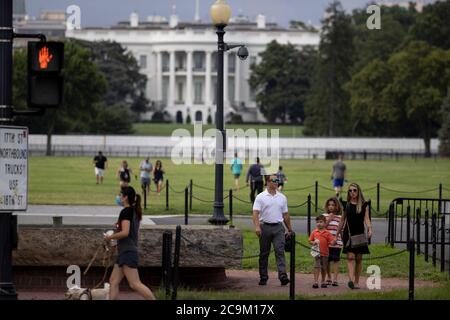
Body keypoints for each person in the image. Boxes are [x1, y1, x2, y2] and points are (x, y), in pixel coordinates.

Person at [105, 186, 156, 300]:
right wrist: (118, 227)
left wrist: (110, 237)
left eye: (120, 195)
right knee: (113, 281)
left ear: (125, 197)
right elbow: (133, 233)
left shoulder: (126, 211)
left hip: (127, 252)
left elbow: (125, 232)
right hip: (125, 251)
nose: (119, 197)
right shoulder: (134, 211)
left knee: (134, 284)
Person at [252, 174, 292, 286]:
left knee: (280, 251)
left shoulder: (282, 197)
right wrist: (257, 227)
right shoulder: (260, 197)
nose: (276, 182)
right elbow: (255, 213)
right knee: (264, 254)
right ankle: (263, 277)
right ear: (267, 182)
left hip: (279, 228)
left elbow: (286, 214)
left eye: (277, 180)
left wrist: (289, 229)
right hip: (264, 227)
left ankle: (283, 276)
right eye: (273, 180)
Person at [336, 183, 373, 290]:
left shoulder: (364, 205)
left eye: (354, 190)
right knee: (350, 257)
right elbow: (342, 220)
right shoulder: (346, 204)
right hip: (348, 233)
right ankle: (351, 280)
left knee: (359, 258)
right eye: (350, 190)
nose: (352, 192)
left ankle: (357, 281)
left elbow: (366, 219)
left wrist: (370, 228)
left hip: (360, 233)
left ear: (358, 191)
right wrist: (337, 234)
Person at [309, 215, 335, 288]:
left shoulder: (327, 233)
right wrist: (313, 242)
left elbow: (331, 242)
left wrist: (334, 241)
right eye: (317, 222)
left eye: (321, 222)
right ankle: (316, 282)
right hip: (317, 253)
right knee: (316, 266)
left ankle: (323, 281)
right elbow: (310, 240)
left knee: (324, 267)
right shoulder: (314, 232)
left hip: (325, 253)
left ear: (325, 222)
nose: (319, 224)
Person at [323, 197, 343, 286]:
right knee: (327, 260)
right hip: (326, 243)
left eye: (333, 205)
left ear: (337, 206)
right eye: (329, 205)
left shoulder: (340, 217)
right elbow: (321, 228)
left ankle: (335, 279)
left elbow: (341, 230)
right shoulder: (324, 216)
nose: (331, 207)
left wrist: (341, 240)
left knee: (336, 259)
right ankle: (329, 277)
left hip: (337, 242)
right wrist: (329, 219)